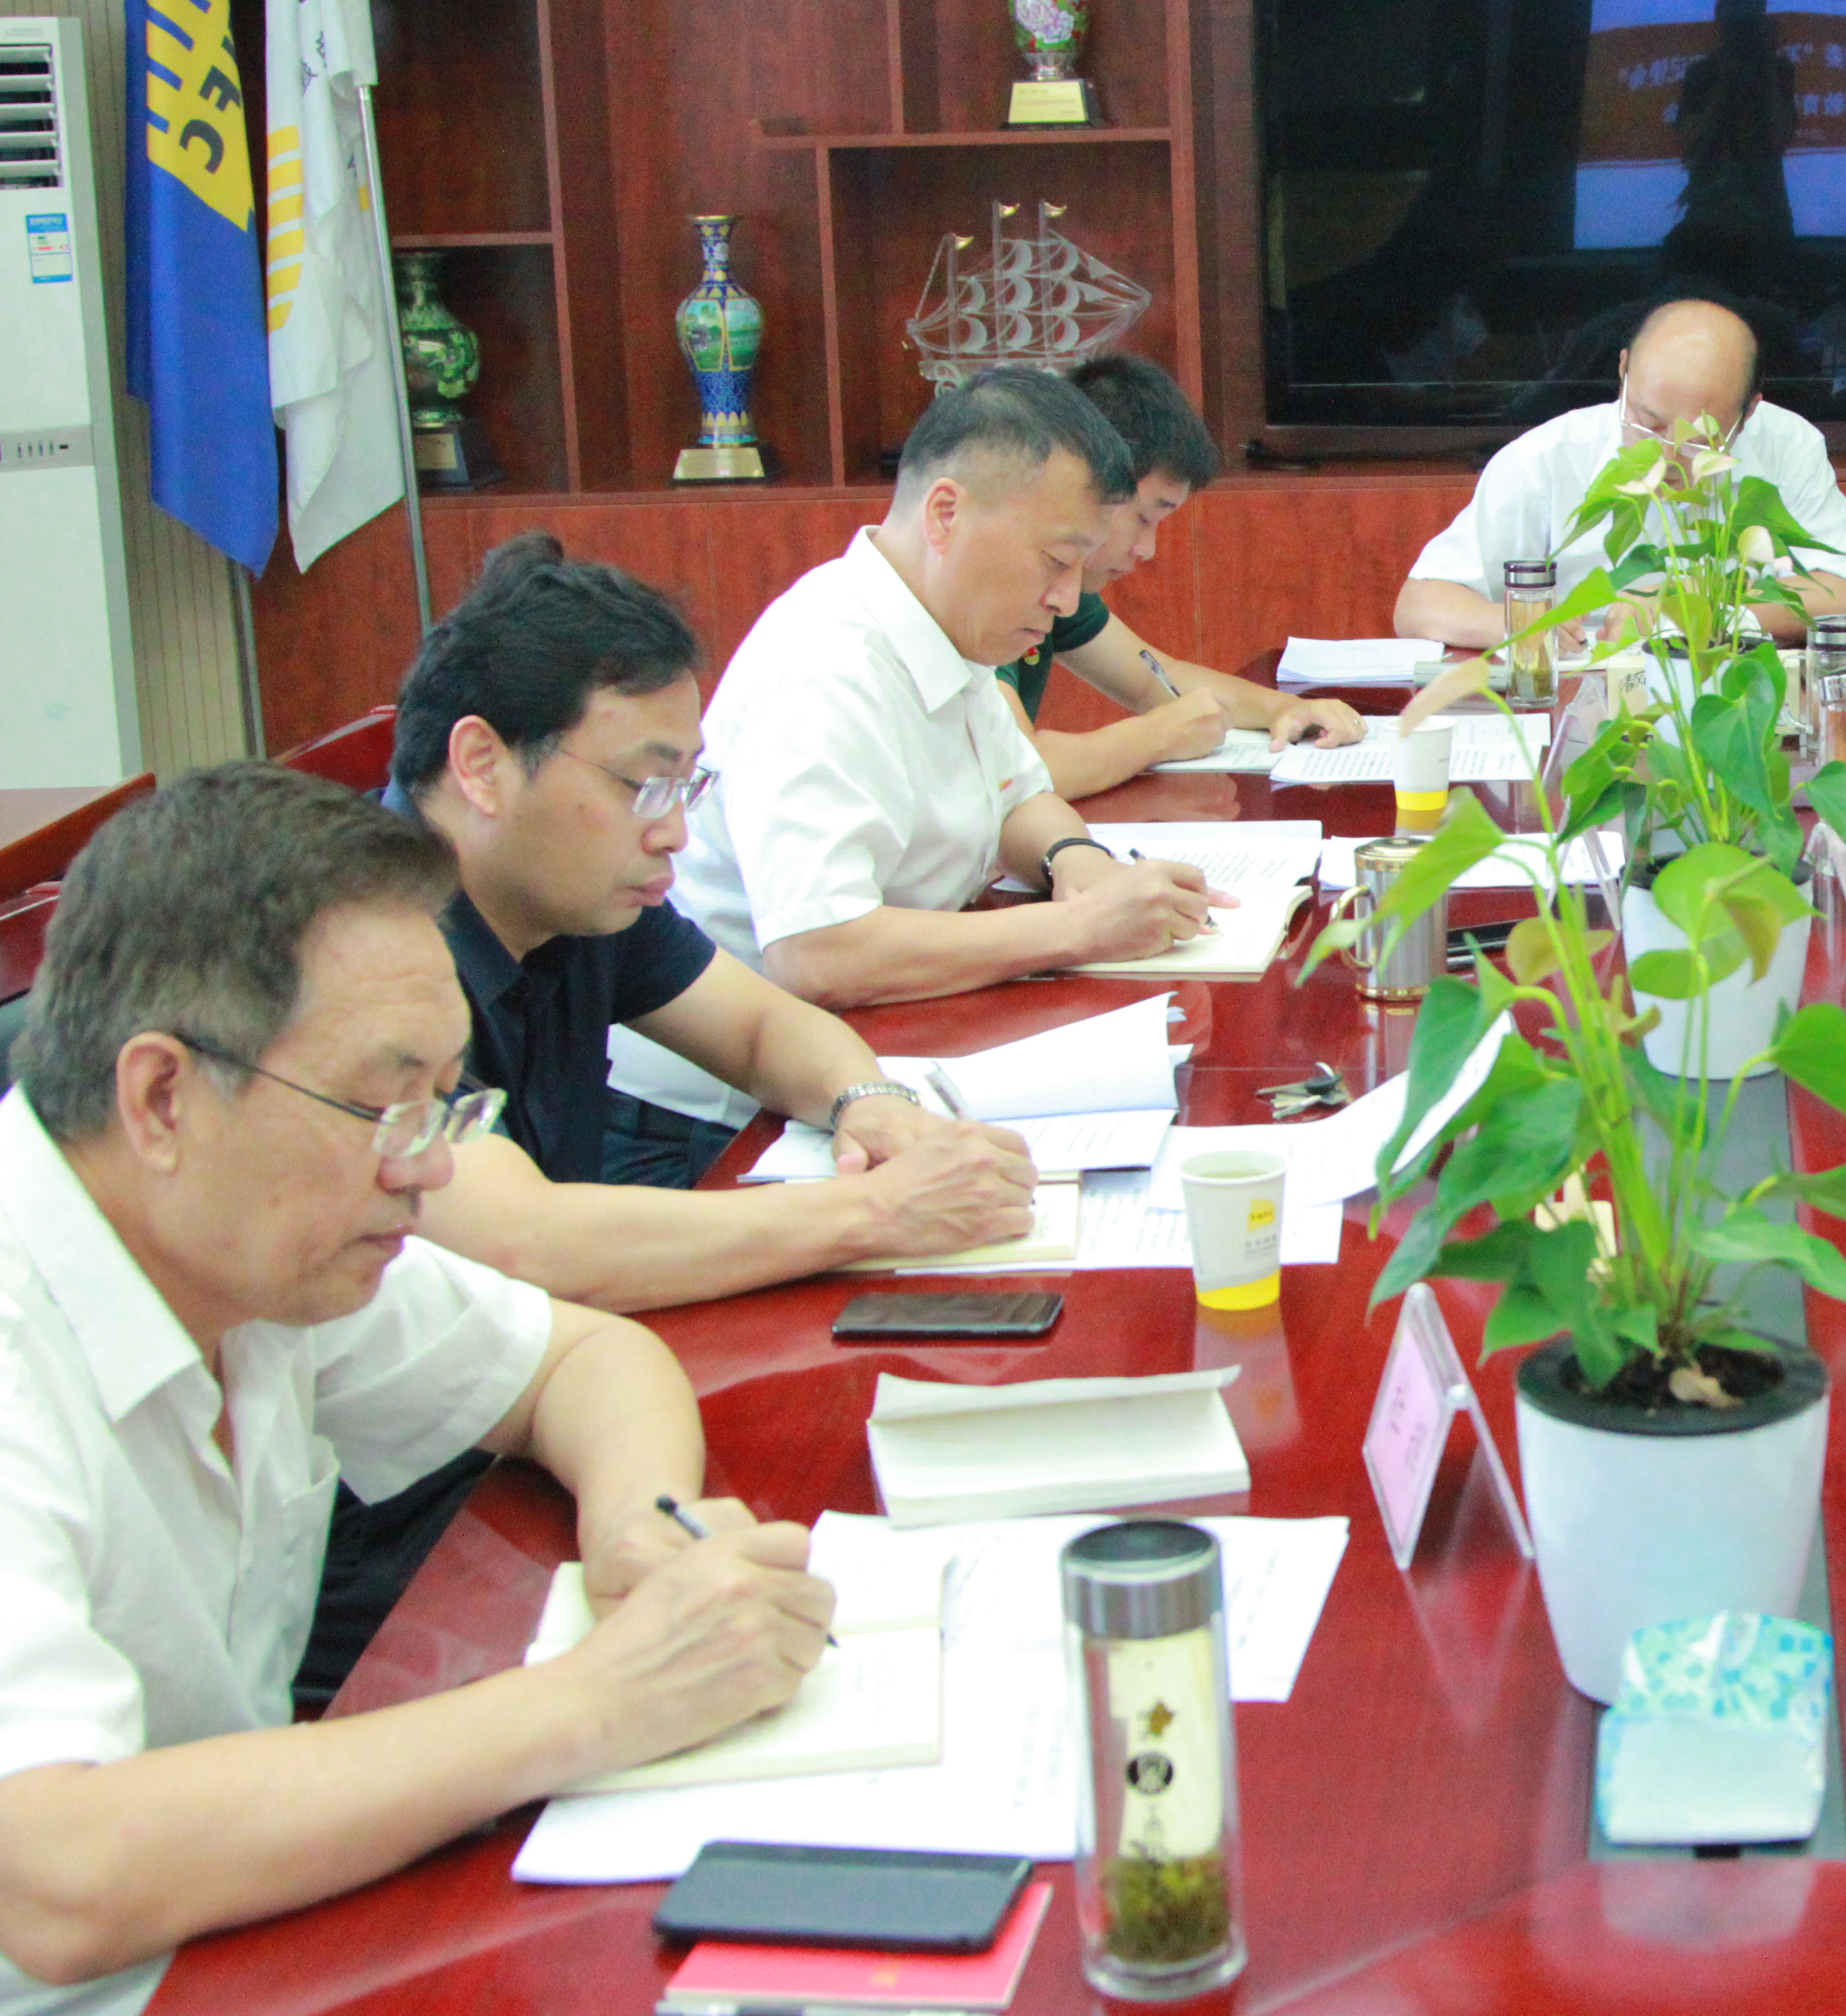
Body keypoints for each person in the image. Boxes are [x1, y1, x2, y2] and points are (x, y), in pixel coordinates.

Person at [0, 767, 832, 2016]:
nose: (431, 1168)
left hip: (251, 1930)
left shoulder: (247, 1234)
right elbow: (56, 1876)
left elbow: (583, 1360)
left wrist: (636, 1528)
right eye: (383, 1105)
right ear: (163, 1096)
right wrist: (597, 1699)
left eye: (444, 1101)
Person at [392, 534, 1035, 1288]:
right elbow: (517, 1244)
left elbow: (762, 1028)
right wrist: (880, 1211)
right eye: (645, 786)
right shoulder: (361, 951)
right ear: (481, 766)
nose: (675, 832)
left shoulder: (570, 893)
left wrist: (869, 1103)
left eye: (685, 788)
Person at [607, 368, 1225, 1149]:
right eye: (1056, 560)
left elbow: (1018, 793)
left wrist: (1076, 860)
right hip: (718, 1129)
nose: (1068, 599)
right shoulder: (825, 666)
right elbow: (819, 954)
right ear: (945, 514)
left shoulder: (947, 623)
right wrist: (1078, 928)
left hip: (873, 1055)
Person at [1390, 296, 1846, 648]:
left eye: (1699, 440)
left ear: (1749, 412)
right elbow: (1419, 604)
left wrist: (1700, 608)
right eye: (1649, 423)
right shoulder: (1546, 458)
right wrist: (1519, 625)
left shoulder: (1786, 443)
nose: (1665, 456)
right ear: (1623, 371)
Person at [1002, 354, 1362, 799]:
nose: (1147, 549)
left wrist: (1285, 708)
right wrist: (1158, 735)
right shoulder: (997, 590)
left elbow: (1151, 679)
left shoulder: (1059, 587)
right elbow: (1013, 774)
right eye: (1142, 518)